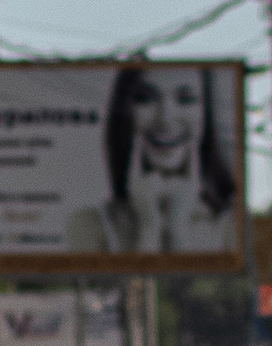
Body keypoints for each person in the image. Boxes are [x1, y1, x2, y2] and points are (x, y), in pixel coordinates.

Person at [63, 61, 241, 257]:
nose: (165, 118)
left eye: (186, 99)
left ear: (206, 113)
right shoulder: (90, 223)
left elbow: (194, 288)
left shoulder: (232, 222)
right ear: (126, 113)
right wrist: (149, 227)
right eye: (146, 99)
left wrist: (177, 229)